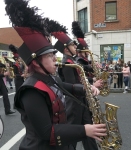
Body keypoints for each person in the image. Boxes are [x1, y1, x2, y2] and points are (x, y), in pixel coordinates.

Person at [4, 0, 107, 149]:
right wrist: (85, 129)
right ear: (36, 61)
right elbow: (47, 132)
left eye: (54, 54)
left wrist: (86, 88)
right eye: (49, 56)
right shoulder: (30, 91)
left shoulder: (49, 77)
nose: (54, 58)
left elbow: (64, 85)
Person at [53, 32, 100, 149]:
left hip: (81, 100)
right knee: (72, 136)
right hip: (74, 103)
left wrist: (90, 82)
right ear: (66, 48)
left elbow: (79, 79)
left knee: (91, 132)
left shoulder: (72, 61)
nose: (75, 47)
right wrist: (92, 84)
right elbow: (72, 85)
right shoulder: (66, 63)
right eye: (72, 45)